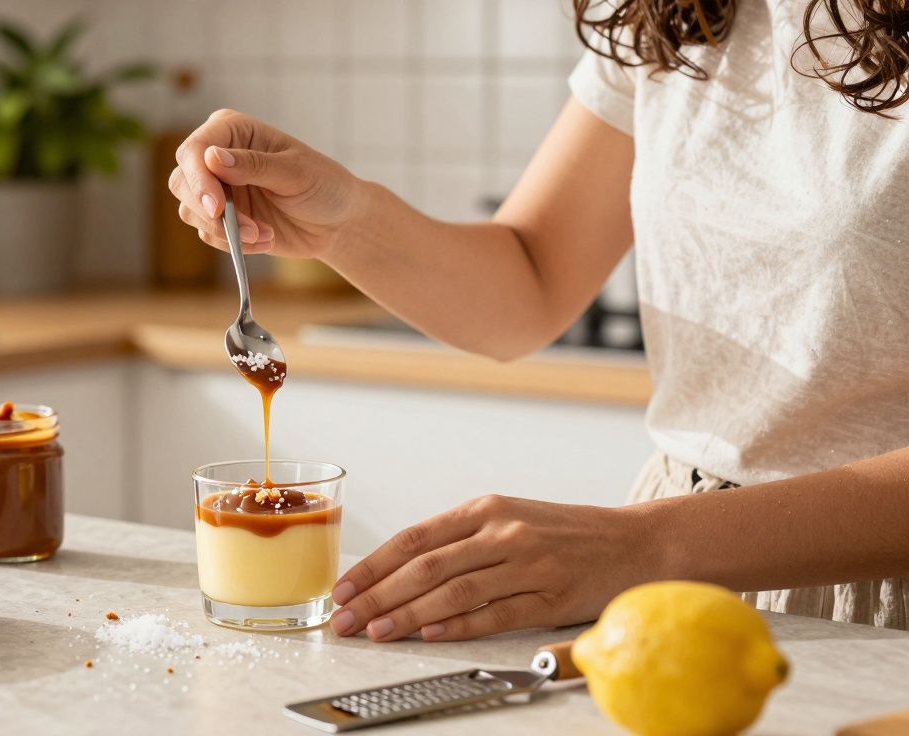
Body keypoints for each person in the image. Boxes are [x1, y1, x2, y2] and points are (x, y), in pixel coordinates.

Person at [168, 0, 909, 642]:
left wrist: (642, 544)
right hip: (673, 586)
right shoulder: (675, 12)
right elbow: (531, 279)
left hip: (872, 594)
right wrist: (339, 220)